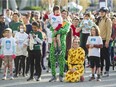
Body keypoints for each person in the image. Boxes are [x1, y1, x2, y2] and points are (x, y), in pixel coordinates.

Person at [49, 9, 70, 82]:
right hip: (54, 43)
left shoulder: (67, 23)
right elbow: (51, 28)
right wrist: (55, 29)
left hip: (62, 44)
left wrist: (56, 30)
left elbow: (65, 31)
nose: (63, 15)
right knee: (52, 58)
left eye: (65, 14)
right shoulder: (56, 20)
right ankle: (53, 75)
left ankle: (61, 75)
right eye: (62, 13)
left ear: (67, 15)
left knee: (61, 60)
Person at [98, 7, 112, 76]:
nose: (101, 13)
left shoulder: (108, 20)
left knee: (106, 57)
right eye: (101, 12)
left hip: (105, 40)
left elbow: (109, 31)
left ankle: (107, 70)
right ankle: (101, 71)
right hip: (100, 40)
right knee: (101, 57)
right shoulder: (100, 19)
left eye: (103, 12)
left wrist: (107, 41)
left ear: (106, 12)